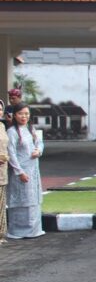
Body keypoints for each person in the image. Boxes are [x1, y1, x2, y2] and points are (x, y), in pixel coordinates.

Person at [6, 103, 45, 240]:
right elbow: (11, 154)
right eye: (21, 114)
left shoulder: (30, 128)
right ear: (15, 115)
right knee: (21, 200)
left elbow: (39, 142)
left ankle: (34, 230)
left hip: (33, 170)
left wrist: (38, 150)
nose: (24, 116)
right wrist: (19, 172)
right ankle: (18, 230)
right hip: (21, 172)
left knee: (33, 198)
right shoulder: (12, 132)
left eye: (26, 114)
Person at [0, 116, 8, 244]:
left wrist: (7, 157)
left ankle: (1, 234)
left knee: (1, 204)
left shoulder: (2, 126)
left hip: (2, 170)